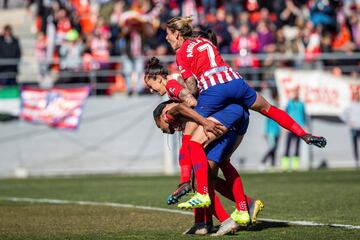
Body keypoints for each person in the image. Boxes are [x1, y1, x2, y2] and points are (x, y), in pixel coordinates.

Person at [163, 16, 326, 210]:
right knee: (269, 109)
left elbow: (192, 85)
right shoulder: (205, 40)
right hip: (235, 81)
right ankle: (304, 135)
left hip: (214, 89)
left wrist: (183, 90)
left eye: (168, 34)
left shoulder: (182, 53)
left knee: (191, 142)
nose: (166, 38)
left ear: (177, 33)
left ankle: (200, 191)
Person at [144, 57, 255, 226]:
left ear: (158, 78)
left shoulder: (171, 90)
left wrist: (201, 120)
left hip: (225, 114)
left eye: (150, 86)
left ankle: (226, 217)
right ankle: (208, 221)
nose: (151, 90)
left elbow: (193, 104)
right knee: (210, 173)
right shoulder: (174, 86)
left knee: (200, 172)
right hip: (233, 112)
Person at [153, 100, 264, 236]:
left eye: (160, 126)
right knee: (208, 176)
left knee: (202, 179)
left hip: (225, 121)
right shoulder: (179, 105)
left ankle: (230, 215)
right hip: (234, 117)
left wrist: (185, 181)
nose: (163, 131)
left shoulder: (173, 103)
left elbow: (187, 141)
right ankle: (206, 222)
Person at [281, 87, 306, 171]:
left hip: (299, 128)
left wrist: (304, 127)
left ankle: (295, 166)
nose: (296, 94)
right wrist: (284, 127)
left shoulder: (301, 104)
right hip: (290, 128)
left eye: (297, 93)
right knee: (287, 146)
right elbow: (285, 114)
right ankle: (285, 166)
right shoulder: (289, 103)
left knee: (297, 147)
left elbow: (303, 116)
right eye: (295, 93)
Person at [260, 90, 281, 170]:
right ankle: (262, 162)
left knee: (275, 149)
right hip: (271, 132)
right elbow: (267, 121)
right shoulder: (271, 107)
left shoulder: (277, 106)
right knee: (272, 147)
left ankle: (273, 164)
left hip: (276, 132)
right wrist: (266, 132)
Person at [342, 91, 360, 168]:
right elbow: (343, 115)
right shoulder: (351, 106)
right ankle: (356, 161)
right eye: (356, 96)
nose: (357, 97)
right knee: (355, 145)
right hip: (354, 128)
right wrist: (349, 123)